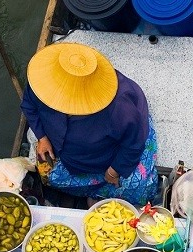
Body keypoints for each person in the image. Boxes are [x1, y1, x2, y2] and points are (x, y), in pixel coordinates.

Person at [21, 42, 158, 207]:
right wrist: (42, 137)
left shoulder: (118, 108)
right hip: (71, 157)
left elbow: (133, 142)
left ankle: (102, 195)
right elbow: (29, 106)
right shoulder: (43, 84)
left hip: (105, 156)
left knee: (138, 185)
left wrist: (114, 171)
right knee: (50, 178)